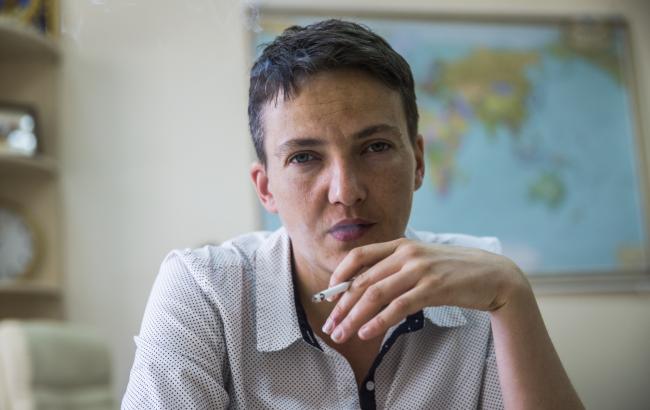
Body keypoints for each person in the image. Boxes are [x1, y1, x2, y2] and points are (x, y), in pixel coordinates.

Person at [123, 19, 583, 409]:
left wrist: (512, 294)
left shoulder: (483, 286)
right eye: (304, 157)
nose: (346, 192)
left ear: (418, 163)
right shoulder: (206, 292)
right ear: (266, 188)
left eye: (376, 147)